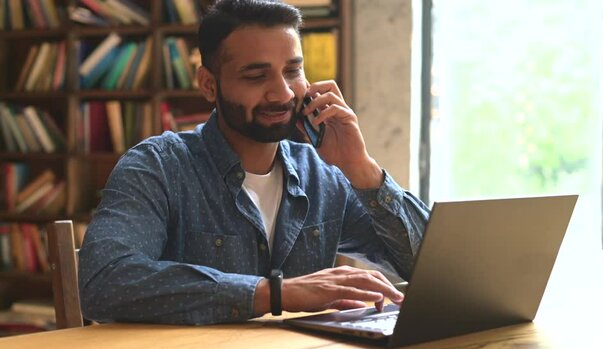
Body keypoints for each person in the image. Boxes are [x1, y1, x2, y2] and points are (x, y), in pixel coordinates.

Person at [78, 0, 429, 325]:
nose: (283, 93)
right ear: (209, 85)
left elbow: (433, 268)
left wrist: (362, 168)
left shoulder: (323, 175)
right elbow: (105, 284)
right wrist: (274, 293)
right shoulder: (157, 167)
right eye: (256, 76)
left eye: (292, 71)